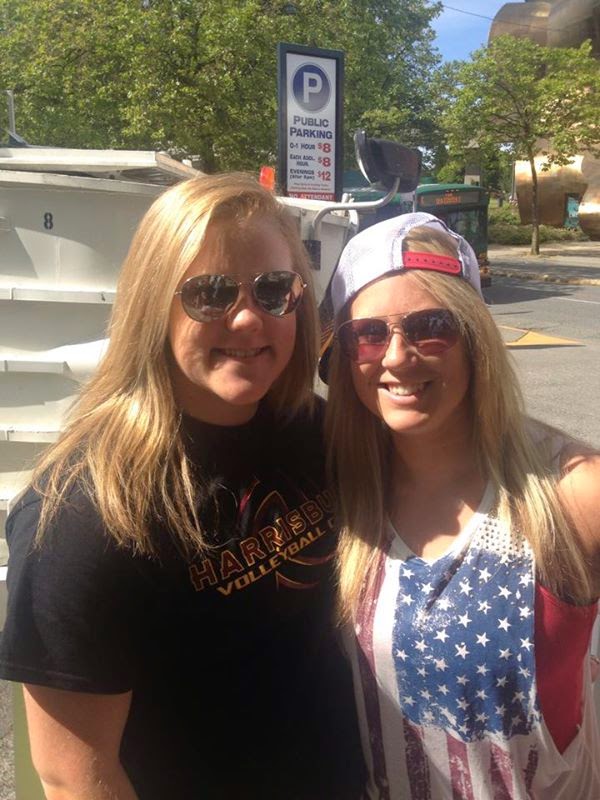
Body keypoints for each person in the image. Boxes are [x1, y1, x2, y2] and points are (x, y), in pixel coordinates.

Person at [0, 173, 365, 800]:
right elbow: (75, 774)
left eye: (273, 290)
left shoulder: (313, 428)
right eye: (210, 293)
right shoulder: (84, 511)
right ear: (153, 304)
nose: (248, 317)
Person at [323, 211, 600, 798]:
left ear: (474, 338)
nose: (397, 357)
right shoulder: (340, 492)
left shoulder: (570, 490)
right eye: (368, 334)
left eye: (431, 326)